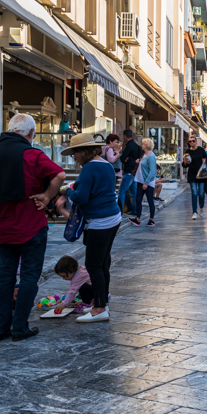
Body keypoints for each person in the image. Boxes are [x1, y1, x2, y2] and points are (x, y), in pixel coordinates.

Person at [0, 113, 65, 341]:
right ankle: (20, 327)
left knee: (4, 278)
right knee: (28, 278)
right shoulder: (31, 154)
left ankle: (0, 328)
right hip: (31, 226)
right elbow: (59, 174)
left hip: (4, 228)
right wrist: (45, 196)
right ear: (31, 133)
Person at [61, 132, 122, 322]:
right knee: (103, 264)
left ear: (83, 152)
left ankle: (99, 308)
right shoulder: (106, 164)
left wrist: (68, 190)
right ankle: (103, 300)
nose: (74, 158)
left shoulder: (89, 168)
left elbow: (81, 197)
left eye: (75, 153)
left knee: (94, 266)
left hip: (100, 221)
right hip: (113, 217)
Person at [182, 135, 207, 220]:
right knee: (194, 193)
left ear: (196, 141)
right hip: (192, 175)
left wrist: (205, 161)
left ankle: (201, 207)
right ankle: (194, 212)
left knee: (201, 194)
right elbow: (184, 165)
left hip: (202, 175)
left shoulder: (201, 150)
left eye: (193, 141)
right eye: (190, 141)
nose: (192, 142)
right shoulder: (188, 151)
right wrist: (185, 162)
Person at [131, 137, 157, 226]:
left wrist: (146, 182)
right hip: (140, 180)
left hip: (148, 182)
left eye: (142, 144)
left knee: (150, 200)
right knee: (138, 199)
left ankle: (152, 219)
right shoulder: (144, 154)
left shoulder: (151, 156)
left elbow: (152, 171)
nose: (141, 145)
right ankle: (137, 218)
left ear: (146, 145)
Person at [119, 128, 142, 214]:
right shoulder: (136, 144)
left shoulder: (129, 145)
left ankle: (120, 211)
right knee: (134, 193)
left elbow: (122, 158)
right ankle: (135, 211)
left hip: (129, 171)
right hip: (134, 172)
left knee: (122, 191)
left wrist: (124, 159)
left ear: (125, 136)